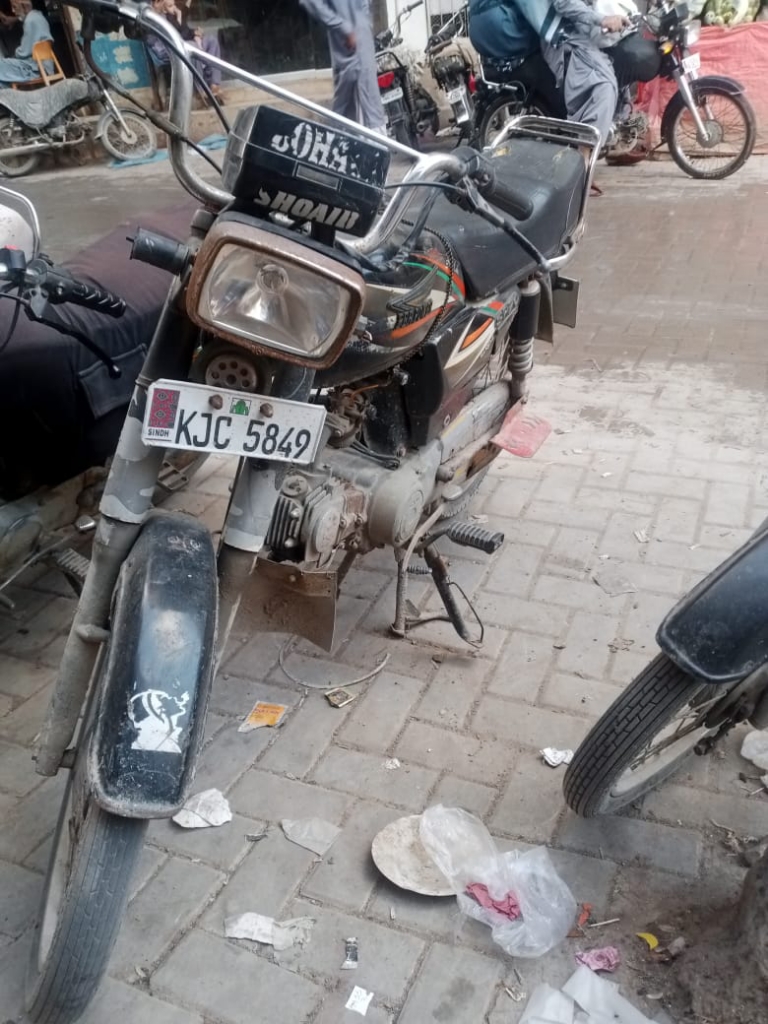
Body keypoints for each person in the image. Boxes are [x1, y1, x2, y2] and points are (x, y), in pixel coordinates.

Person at [469, 0, 627, 144]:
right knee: (601, 85)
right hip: (515, 35)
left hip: (488, 39)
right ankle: (585, 152)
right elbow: (563, 3)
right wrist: (601, 19)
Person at [298, 0, 386, 134]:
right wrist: (343, 28)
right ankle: (336, 139)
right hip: (348, 48)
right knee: (346, 114)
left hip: (362, 42)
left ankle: (374, 143)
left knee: (368, 110)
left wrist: (365, 22)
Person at [147, 0, 223, 100]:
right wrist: (190, 34)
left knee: (211, 40)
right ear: (157, 2)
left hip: (182, 42)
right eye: (169, 5)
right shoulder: (150, 16)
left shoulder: (167, 13)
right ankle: (199, 89)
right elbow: (173, 36)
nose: (173, 7)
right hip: (167, 49)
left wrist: (194, 33)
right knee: (192, 48)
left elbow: (183, 31)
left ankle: (214, 83)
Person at [0, 0, 53, 87]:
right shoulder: (37, 16)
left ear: (24, 6)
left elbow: (24, 52)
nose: (13, 11)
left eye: (14, 7)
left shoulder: (30, 21)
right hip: (42, 65)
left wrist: (15, 54)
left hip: (36, 68)